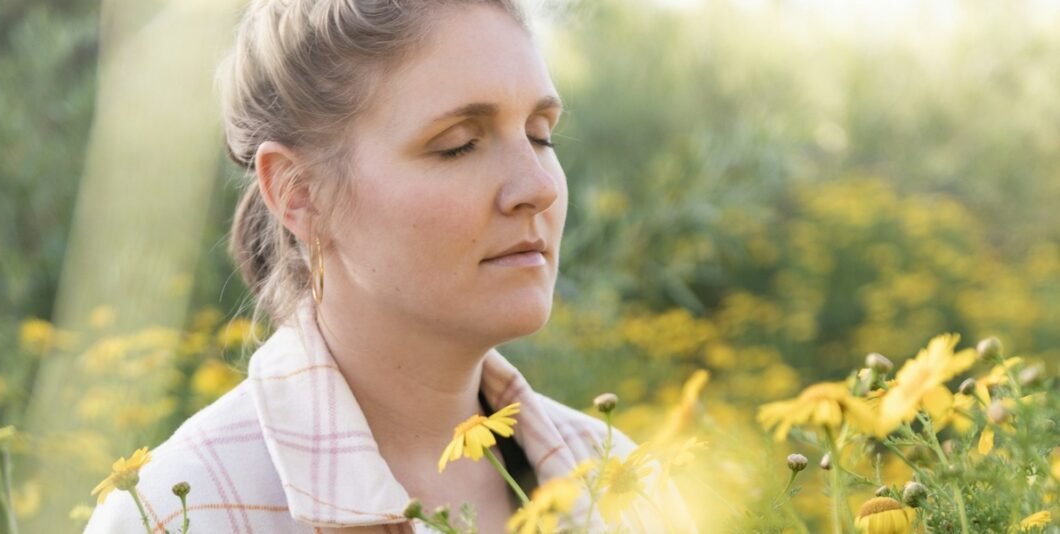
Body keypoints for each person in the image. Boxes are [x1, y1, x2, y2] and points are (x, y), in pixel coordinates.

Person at [85, 1, 684, 532]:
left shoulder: (629, 486)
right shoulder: (179, 515)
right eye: (458, 143)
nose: (538, 187)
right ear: (300, 194)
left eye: (540, 134)